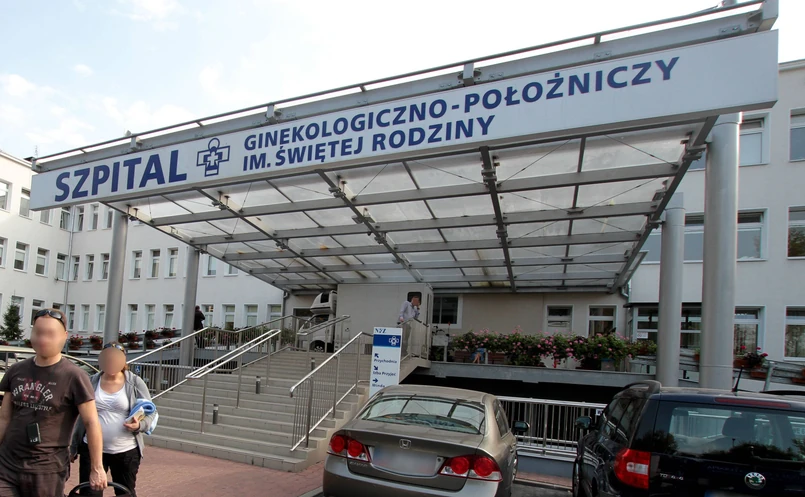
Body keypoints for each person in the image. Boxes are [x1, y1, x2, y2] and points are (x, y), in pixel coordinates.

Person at [0, 308, 106, 497]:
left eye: (50, 334)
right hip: (7, 464)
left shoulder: (74, 376)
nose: (43, 339)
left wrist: (97, 467)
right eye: (38, 332)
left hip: (47, 469)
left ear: (64, 336)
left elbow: (91, 423)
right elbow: (4, 419)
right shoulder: (16, 370)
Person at [71, 342, 157, 497]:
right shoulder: (91, 382)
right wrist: (73, 446)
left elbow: (151, 411)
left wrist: (139, 425)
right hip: (91, 450)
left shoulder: (134, 382)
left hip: (125, 451)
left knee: (124, 493)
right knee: (89, 493)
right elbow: (82, 418)